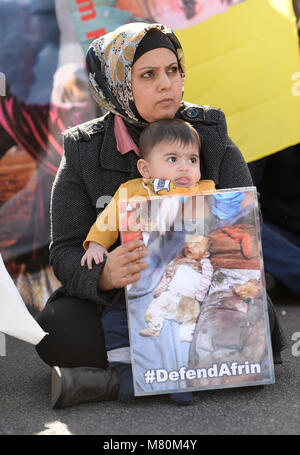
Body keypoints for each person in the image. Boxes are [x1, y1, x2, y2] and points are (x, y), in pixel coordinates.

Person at [35, 22, 286, 409]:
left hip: (198, 285)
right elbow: (66, 247)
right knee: (57, 330)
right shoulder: (83, 150)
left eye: (173, 70)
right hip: (119, 299)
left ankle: (116, 381)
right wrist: (102, 274)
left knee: (258, 320)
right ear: (117, 84)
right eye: (148, 75)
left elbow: (243, 219)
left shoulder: (209, 132)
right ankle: (196, 369)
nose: (167, 84)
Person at [80, 118, 214, 404]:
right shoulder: (131, 192)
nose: (184, 167)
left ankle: (180, 377)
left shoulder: (204, 192)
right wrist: (95, 245)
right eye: (172, 159)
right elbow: (108, 221)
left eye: (192, 159)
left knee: (183, 327)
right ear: (145, 168)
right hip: (139, 278)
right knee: (116, 323)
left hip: (184, 280)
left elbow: (224, 224)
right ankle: (125, 372)